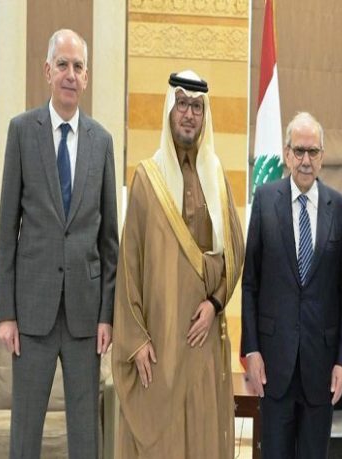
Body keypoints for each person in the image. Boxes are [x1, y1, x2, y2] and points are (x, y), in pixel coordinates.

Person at [0, 29, 118, 458]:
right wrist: (6, 314)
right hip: (32, 311)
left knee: (85, 436)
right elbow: (6, 229)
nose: (70, 74)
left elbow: (109, 240)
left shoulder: (102, 142)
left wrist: (107, 315)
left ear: (87, 77)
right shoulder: (21, 131)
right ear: (47, 71)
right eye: (62, 65)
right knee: (25, 433)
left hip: (86, 315)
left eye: (78, 66)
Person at [111, 70, 244, 458]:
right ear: (170, 109)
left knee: (201, 437)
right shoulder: (147, 179)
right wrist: (136, 340)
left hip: (202, 339)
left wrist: (215, 304)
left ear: (204, 115)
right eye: (182, 104)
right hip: (160, 342)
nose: (189, 114)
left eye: (197, 107)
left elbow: (235, 251)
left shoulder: (216, 176)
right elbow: (129, 265)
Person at [241, 112, 342, 458]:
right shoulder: (264, 201)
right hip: (273, 365)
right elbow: (250, 284)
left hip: (321, 368)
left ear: (322, 156)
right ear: (287, 154)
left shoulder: (340, 209)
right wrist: (252, 351)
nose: (306, 160)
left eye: (313, 151)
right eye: (299, 151)